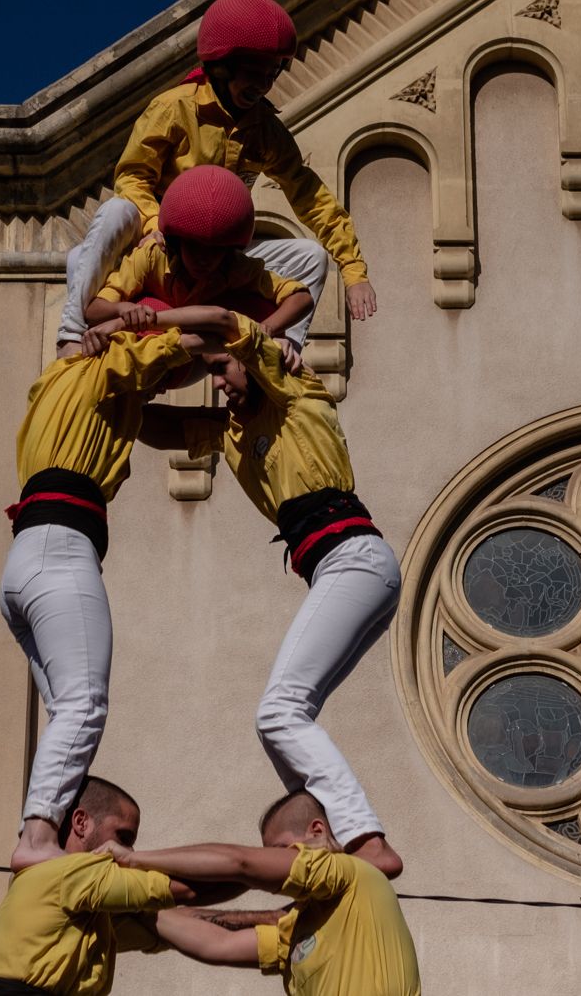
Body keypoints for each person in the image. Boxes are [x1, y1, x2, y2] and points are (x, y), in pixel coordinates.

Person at [139, 309, 403, 877]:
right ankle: (329, 830)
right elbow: (157, 426)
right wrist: (117, 387)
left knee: (279, 711)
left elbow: (220, 321)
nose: (215, 381)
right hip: (344, 566)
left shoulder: (297, 393)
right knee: (286, 715)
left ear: (253, 360)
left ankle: (362, 838)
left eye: (220, 368)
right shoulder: (232, 431)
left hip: (352, 558)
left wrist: (147, 331)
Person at [2, 308, 237, 872]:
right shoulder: (103, 362)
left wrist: (232, 416)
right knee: (84, 706)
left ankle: (53, 833)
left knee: (66, 711)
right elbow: (194, 339)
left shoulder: (78, 389)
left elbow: (168, 425)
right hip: (62, 550)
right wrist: (231, 349)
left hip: (26, 559)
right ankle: (36, 840)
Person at [56, 0, 379, 357]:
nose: (263, 85)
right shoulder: (173, 108)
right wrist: (154, 227)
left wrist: (354, 273)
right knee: (114, 213)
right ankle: (71, 335)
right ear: (222, 65)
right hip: (158, 252)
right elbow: (132, 178)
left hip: (215, 264)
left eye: (272, 74)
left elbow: (313, 200)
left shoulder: (266, 132)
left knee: (311, 257)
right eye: (254, 73)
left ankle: (277, 353)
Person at [108, 790, 422, 996]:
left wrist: (134, 859)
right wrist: (137, 906)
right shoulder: (301, 925)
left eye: (280, 851)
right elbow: (220, 943)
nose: (272, 862)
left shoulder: (352, 875)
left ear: (317, 832)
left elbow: (239, 862)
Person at [0, 777, 201, 996]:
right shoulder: (70, 874)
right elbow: (181, 890)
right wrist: (236, 865)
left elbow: (179, 925)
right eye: (123, 837)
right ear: (80, 823)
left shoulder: (96, 914)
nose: (127, 850)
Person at [79, 164, 312, 363]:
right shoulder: (152, 256)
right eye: (194, 246)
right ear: (177, 242)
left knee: (266, 308)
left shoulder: (236, 267)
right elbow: (93, 310)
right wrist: (123, 310)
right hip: (158, 355)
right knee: (150, 307)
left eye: (214, 251)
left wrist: (265, 330)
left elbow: (301, 298)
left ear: (227, 250)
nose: (203, 258)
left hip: (208, 353)